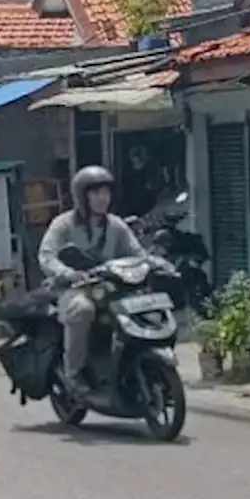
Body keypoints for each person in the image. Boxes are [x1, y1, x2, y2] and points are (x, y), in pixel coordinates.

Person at [38, 166, 146, 396]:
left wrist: (152, 264)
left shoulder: (116, 225)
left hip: (110, 287)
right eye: (95, 193)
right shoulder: (63, 224)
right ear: (82, 196)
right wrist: (68, 273)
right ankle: (73, 374)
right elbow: (47, 256)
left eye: (106, 192)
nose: (102, 198)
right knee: (82, 310)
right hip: (71, 289)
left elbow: (137, 253)